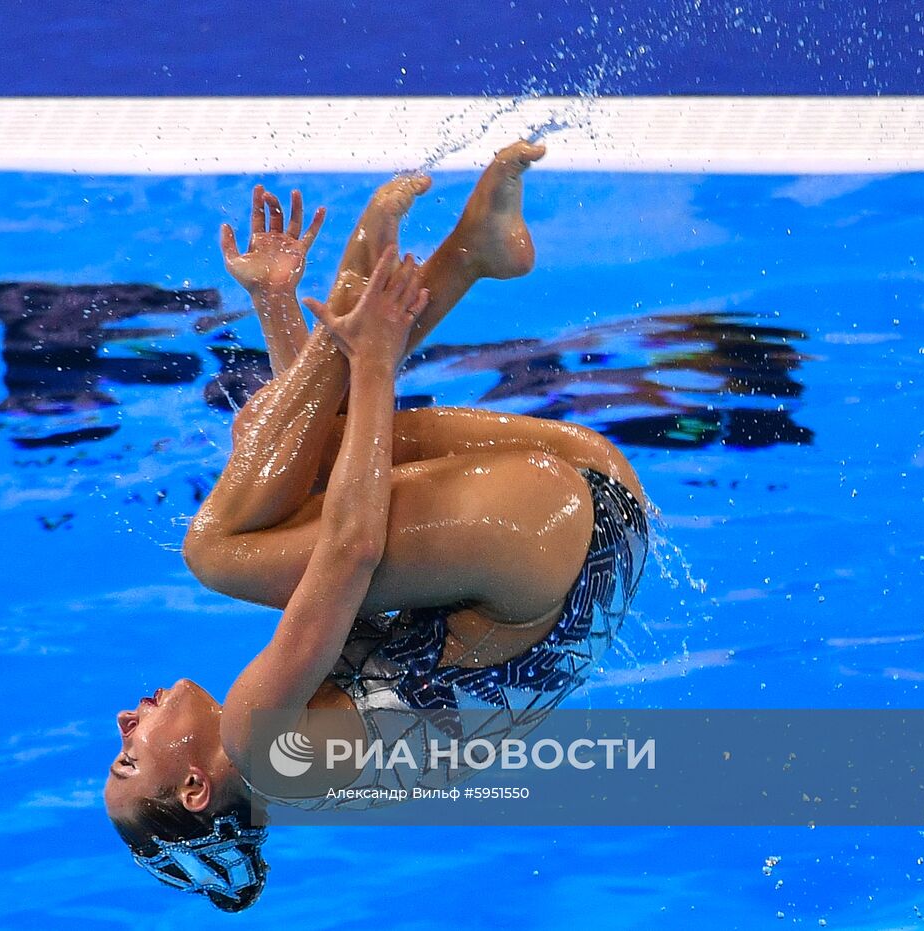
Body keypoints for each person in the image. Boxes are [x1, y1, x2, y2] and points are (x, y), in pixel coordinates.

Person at [104, 142, 649, 911]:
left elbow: (335, 494)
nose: (125, 721)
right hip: (535, 537)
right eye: (129, 758)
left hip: (588, 526)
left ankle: (466, 251)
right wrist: (372, 362)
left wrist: (277, 305)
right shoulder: (260, 739)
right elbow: (353, 546)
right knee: (213, 551)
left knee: (285, 434)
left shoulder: (298, 759)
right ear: (195, 787)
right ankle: (443, 261)